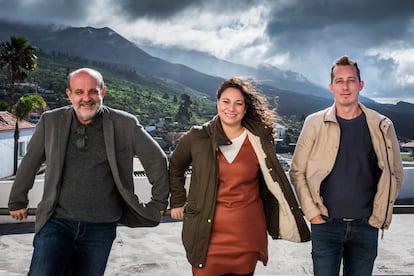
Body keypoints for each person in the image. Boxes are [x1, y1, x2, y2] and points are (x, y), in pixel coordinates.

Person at [8, 68, 169, 275]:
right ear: (69, 94)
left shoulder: (124, 124)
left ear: (103, 92)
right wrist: (17, 200)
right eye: (79, 92)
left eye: (93, 91)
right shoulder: (51, 121)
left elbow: (156, 160)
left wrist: (159, 202)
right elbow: (30, 162)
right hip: (56, 222)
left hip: (101, 226)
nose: (86, 98)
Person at [169, 76, 310, 275]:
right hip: (205, 236)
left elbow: (272, 179)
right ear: (217, 103)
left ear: (245, 108)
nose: (231, 108)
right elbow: (175, 167)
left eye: (238, 103)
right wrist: (177, 201)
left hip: (247, 235)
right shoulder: (197, 137)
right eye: (226, 101)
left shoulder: (258, 139)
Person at [289, 55, 404, 276]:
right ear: (331, 87)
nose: (345, 86)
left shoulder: (382, 125)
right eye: (339, 81)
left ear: (360, 85)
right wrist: (312, 213)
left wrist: (377, 216)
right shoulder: (314, 123)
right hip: (325, 225)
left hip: (366, 226)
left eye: (351, 80)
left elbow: (395, 173)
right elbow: (297, 171)